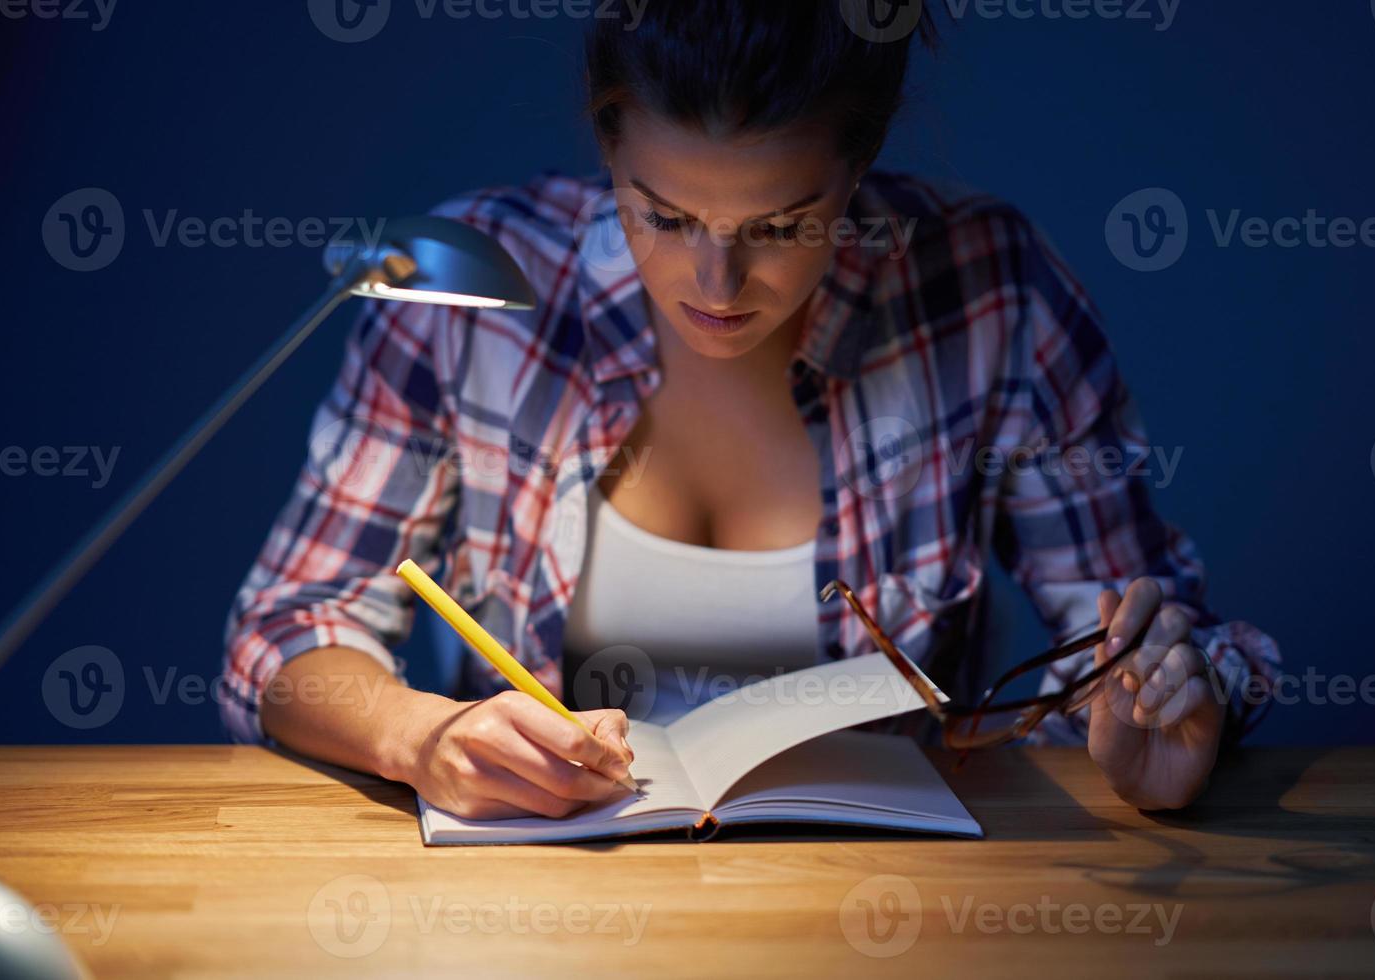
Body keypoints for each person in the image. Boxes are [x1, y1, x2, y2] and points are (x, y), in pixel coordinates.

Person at [221, 0, 1280, 819]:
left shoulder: (985, 288)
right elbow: (283, 628)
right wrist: (421, 735)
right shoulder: (469, 301)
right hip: (545, 914)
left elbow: (1139, 628)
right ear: (608, 151)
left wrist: (1158, 718)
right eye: (665, 214)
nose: (715, 280)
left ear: (856, 166)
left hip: (889, 926)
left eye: (779, 223)